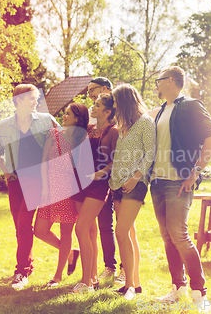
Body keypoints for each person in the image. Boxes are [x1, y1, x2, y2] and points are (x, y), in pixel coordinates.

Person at [150, 66, 211, 310]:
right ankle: (178, 288)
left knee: (179, 235)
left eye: (158, 81)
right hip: (157, 182)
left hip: (179, 181)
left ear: (169, 81)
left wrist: (195, 172)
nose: (155, 86)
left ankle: (200, 294)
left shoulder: (191, 105)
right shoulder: (160, 112)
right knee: (168, 237)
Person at [0, 84, 58, 290]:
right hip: (15, 182)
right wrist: (5, 171)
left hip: (37, 179)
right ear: (18, 100)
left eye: (37, 98)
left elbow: (64, 139)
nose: (36, 102)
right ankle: (65, 253)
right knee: (20, 226)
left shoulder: (46, 120)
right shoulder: (5, 125)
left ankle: (21, 272)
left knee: (23, 222)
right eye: (32, 98)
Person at [108, 84, 156, 300]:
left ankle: (128, 286)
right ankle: (134, 285)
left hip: (135, 184)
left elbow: (150, 153)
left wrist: (135, 178)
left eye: (116, 101)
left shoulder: (146, 122)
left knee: (121, 231)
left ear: (126, 101)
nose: (114, 106)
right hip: (117, 184)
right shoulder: (124, 125)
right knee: (129, 234)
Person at [34, 103, 89, 287]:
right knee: (39, 230)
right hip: (49, 187)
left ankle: (57, 276)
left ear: (77, 119)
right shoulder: (53, 134)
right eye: (64, 113)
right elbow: (42, 161)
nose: (64, 116)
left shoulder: (81, 139)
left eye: (68, 114)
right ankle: (71, 252)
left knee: (66, 232)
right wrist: (43, 186)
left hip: (68, 190)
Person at [72, 94, 119, 293]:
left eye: (97, 105)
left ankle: (86, 283)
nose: (93, 107)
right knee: (90, 230)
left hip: (98, 184)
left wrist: (101, 173)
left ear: (107, 112)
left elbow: (117, 160)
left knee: (80, 228)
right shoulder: (89, 130)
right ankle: (92, 277)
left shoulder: (113, 131)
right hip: (80, 183)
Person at [86, 77, 123, 283]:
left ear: (105, 89)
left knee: (123, 224)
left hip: (117, 178)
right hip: (98, 181)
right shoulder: (94, 118)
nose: (90, 94)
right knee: (104, 224)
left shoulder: (119, 117)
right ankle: (110, 265)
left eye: (94, 91)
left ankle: (125, 269)